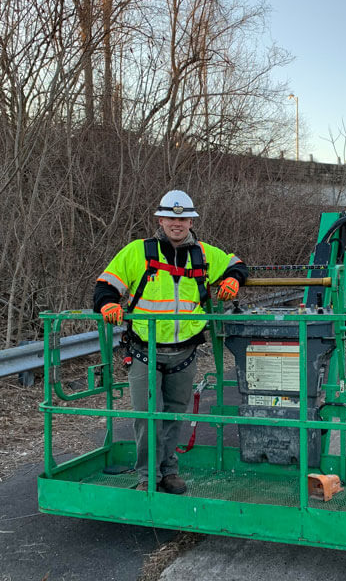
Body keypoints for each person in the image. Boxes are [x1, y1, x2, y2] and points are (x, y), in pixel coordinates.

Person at [93, 190, 248, 494]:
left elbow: (237, 264)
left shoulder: (204, 254)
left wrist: (233, 279)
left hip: (185, 353)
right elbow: (104, 286)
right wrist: (107, 304)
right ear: (160, 219)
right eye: (171, 218)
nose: (177, 223)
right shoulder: (138, 252)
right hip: (144, 350)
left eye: (183, 218)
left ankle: (169, 473)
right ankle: (146, 477)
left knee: (173, 416)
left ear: (191, 221)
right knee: (147, 418)